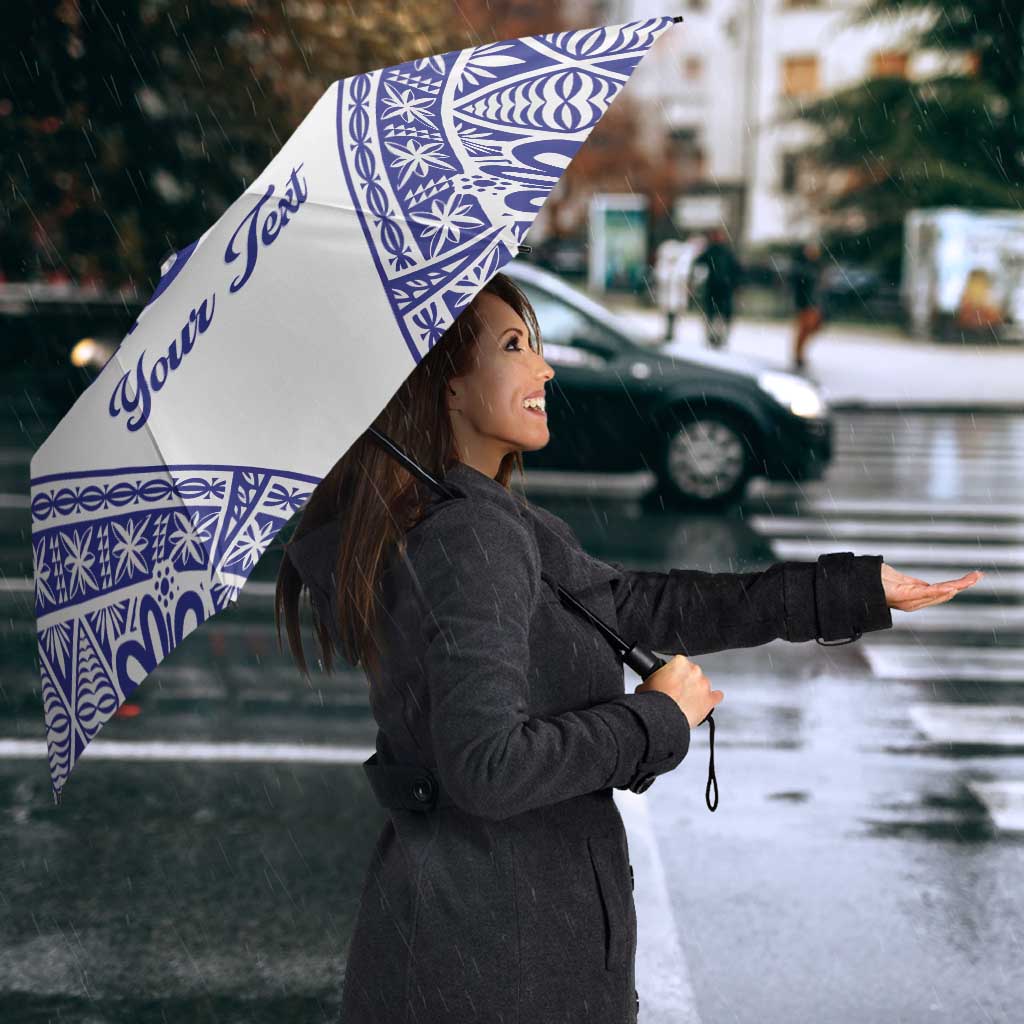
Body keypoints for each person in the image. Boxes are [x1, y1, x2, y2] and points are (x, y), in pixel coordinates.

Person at [275, 272, 980, 1024]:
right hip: (499, 963)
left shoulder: (476, 518)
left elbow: (642, 605)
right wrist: (655, 719)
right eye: (514, 346)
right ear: (446, 387)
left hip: (480, 941)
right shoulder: (470, 537)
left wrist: (850, 590)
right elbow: (487, 767)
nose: (544, 368)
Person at [692, 226, 742, 349]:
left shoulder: (725, 252)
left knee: (720, 315)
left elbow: (736, 270)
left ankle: (719, 337)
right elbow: (698, 264)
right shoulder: (712, 251)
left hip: (723, 288)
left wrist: (735, 284)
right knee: (713, 314)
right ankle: (713, 337)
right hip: (715, 288)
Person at [790, 239, 826, 370]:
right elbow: (799, 286)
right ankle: (798, 355)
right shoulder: (802, 267)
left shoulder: (817, 266)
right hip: (805, 303)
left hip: (814, 303)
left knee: (812, 328)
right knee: (804, 329)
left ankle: (799, 354)